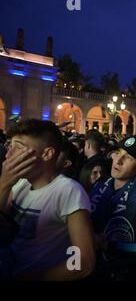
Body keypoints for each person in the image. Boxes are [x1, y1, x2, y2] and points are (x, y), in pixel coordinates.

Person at [0, 119, 95, 280]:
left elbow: (84, 262)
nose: (8, 154)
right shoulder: (19, 184)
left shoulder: (68, 191)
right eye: (10, 146)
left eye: (18, 147)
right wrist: (4, 184)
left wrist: (40, 277)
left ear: (47, 154)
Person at [89, 136, 136, 280]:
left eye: (128, 157)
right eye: (118, 152)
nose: (118, 160)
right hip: (92, 268)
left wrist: (111, 245)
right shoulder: (100, 184)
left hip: (125, 272)